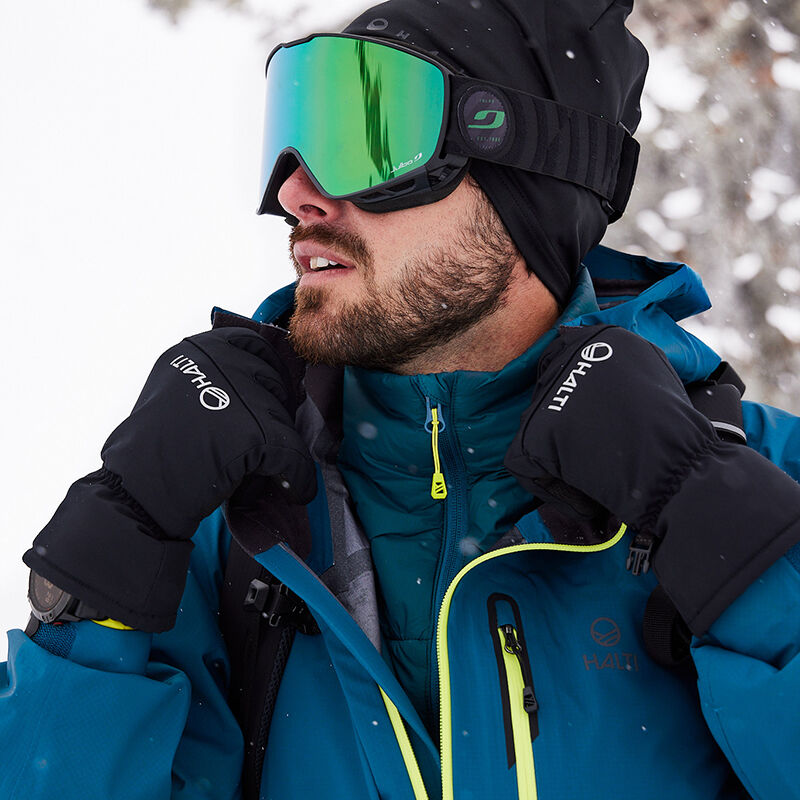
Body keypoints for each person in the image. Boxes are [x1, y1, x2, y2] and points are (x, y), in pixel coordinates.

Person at [2, 0, 800, 798]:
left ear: (529, 172)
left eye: (366, 137)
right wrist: (109, 553)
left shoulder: (769, 481)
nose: (297, 194)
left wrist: (721, 525)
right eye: (294, 135)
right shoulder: (225, 530)